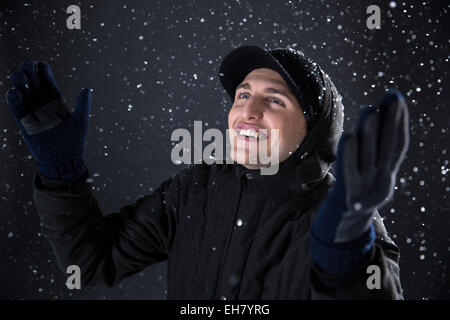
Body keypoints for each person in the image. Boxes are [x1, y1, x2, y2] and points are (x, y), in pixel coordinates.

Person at [5, 45, 408, 299]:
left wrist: (343, 249)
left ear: (313, 129)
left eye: (276, 101)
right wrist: (61, 173)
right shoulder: (197, 189)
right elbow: (91, 262)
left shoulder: (348, 220)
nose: (248, 112)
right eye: (243, 95)